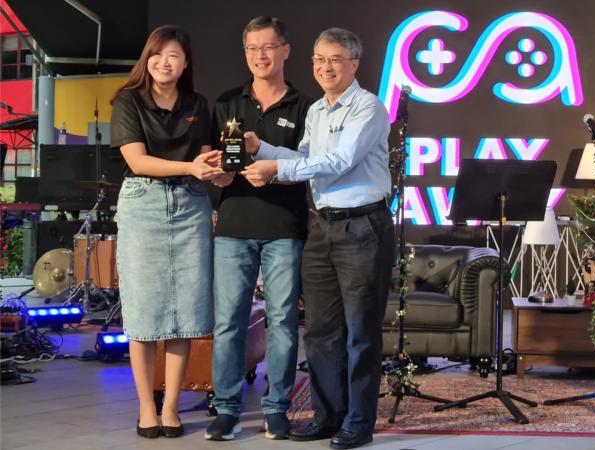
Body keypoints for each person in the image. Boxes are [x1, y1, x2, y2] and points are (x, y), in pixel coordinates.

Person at [242, 27, 394, 450]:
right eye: (319, 59)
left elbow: (340, 161)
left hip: (362, 227)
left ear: (354, 64)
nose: (326, 67)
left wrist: (276, 170)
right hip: (321, 225)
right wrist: (262, 149)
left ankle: (359, 422)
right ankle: (328, 416)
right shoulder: (316, 111)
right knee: (321, 331)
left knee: (360, 332)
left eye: (335, 59)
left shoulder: (369, 107)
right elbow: (307, 159)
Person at [109, 25, 223, 439]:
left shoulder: (197, 103)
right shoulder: (128, 100)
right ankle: (146, 408)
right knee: (144, 313)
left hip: (191, 204)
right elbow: (137, 161)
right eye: (157, 55)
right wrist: (192, 167)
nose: (164, 63)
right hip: (143, 203)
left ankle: (172, 406)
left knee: (185, 313)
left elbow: (205, 158)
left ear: (185, 62)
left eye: (174, 56)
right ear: (147, 59)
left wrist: (219, 168)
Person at [203, 16, 312, 442]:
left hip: (284, 227)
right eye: (252, 48)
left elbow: (309, 166)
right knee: (229, 322)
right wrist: (218, 174)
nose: (260, 56)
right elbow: (217, 161)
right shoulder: (227, 102)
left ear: (286, 50)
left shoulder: (304, 106)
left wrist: (273, 169)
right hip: (234, 225)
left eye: (268, 47)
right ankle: (227, 409)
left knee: (283, 321)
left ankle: (276, 408)